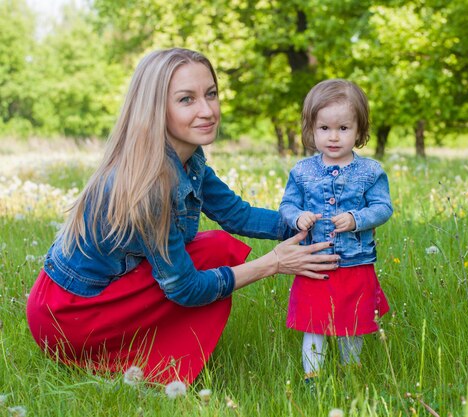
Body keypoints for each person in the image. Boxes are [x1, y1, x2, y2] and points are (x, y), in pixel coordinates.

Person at [25, 48, 339, 386]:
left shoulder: (190, 159)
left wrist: (307, 221)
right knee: (213, 253)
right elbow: (184, 289)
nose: (207, 111)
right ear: (156, 108)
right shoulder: (146, 183)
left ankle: (145, 358)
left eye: (211, 94)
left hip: (85, 299)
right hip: (68, 315)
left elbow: (237, 214)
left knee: (214, 247)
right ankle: (140, 363)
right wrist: (274, 263)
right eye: (186, 99)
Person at [279, 79, 393, 384]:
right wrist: (298, 216)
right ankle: (312, 379)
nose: (333, 137)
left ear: (359, 130)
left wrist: (357, 218)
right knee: (313, 324)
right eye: (324, 128)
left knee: (351, 326)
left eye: (343, 128)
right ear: (311, 129)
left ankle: (350, 374)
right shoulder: (302, 171)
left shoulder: (370, 172)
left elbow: (383, 207)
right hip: (313, 263)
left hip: (355, 262)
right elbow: (287, 205)